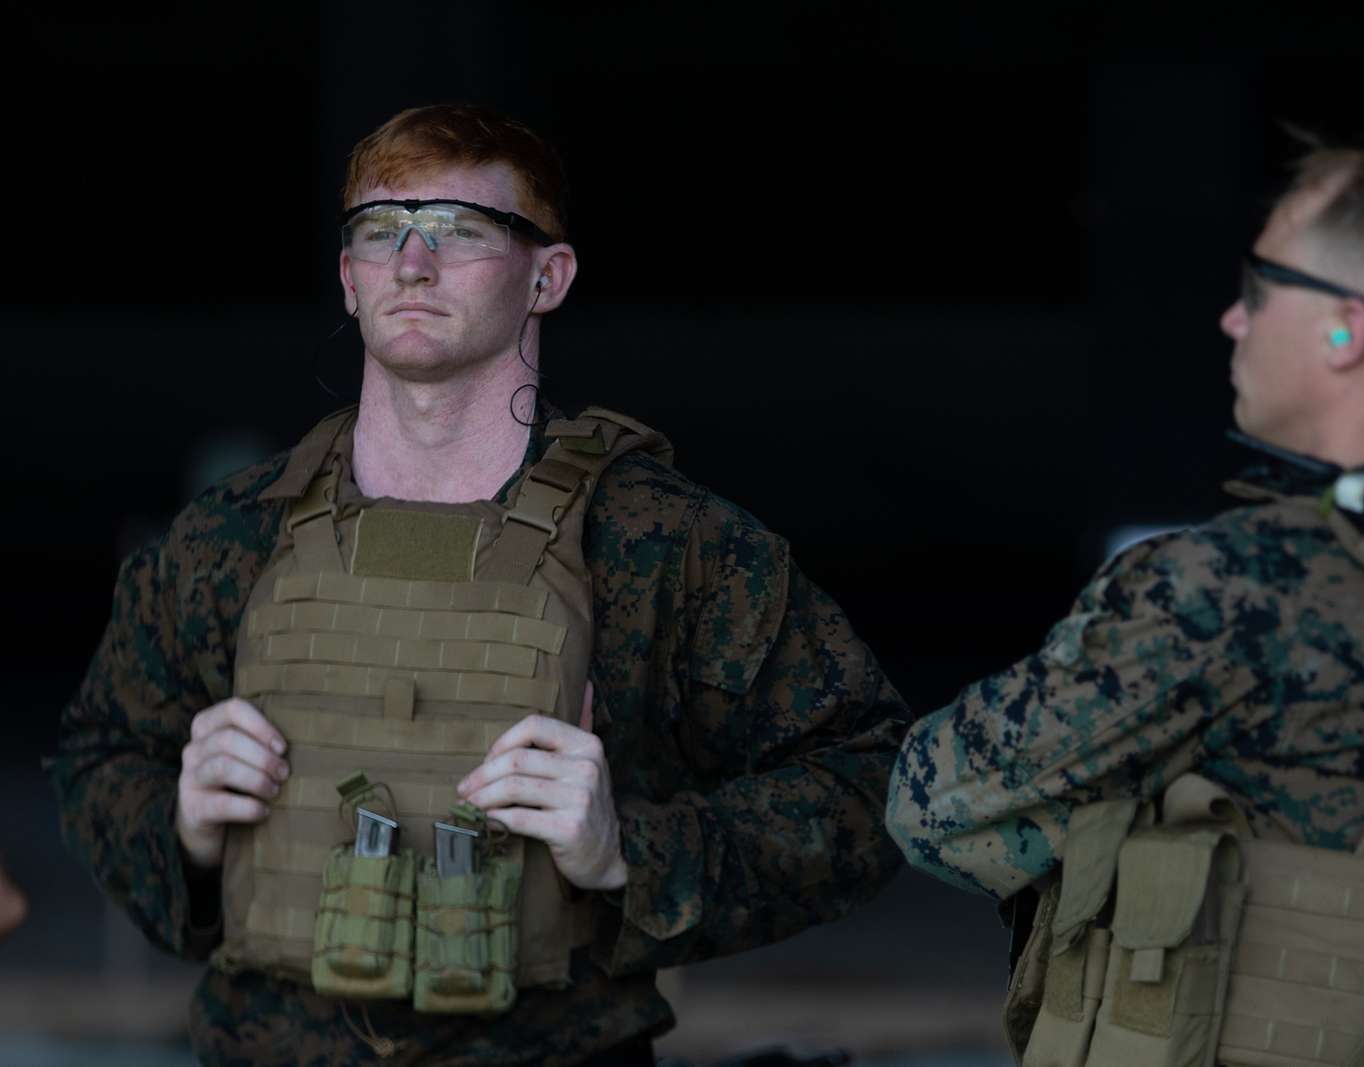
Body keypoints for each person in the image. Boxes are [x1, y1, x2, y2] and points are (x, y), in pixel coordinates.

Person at [53, 103, 908, 1066]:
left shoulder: (659, 542)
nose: (414, 264)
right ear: (349, 277)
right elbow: (96, 755)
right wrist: (180, 824)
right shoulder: (232, 537)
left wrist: (634, 851)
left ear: (549, 276)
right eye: (382, 231)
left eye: (463, 229)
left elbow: (874, 781)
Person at [886, 136, 1364, 1066]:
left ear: (1347, 330)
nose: (1232, 319)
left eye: (1260, 290)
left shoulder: (1229, 588)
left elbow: (930, 804)